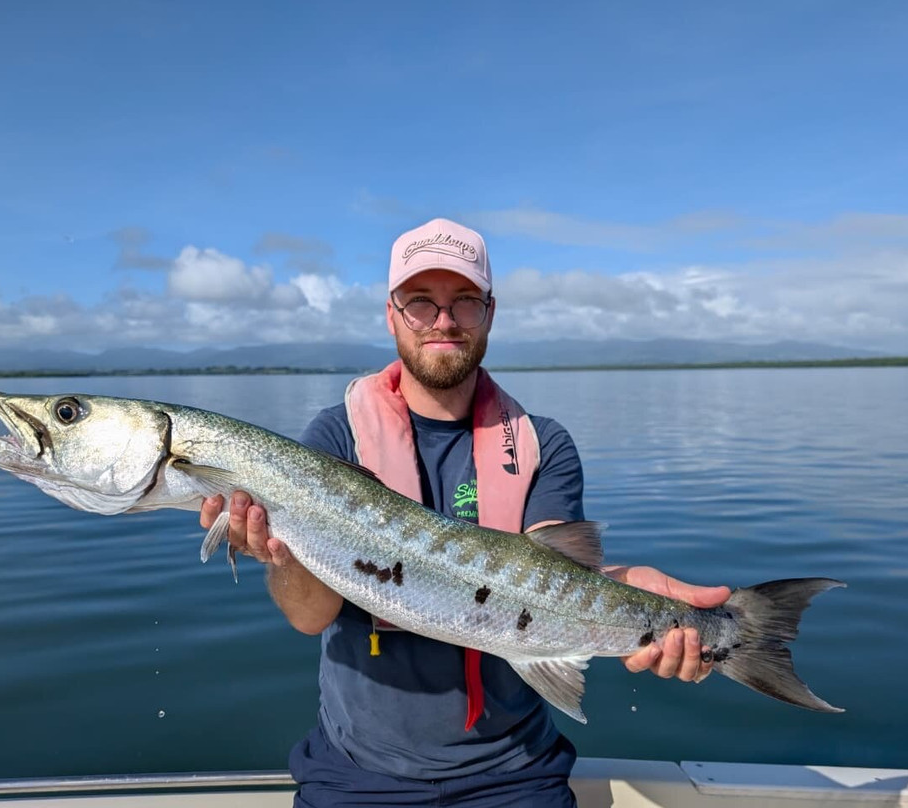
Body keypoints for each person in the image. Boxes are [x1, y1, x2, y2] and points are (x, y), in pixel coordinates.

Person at [201, 218, 730, 807]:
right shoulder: (335, 437)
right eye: (421, 303)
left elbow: (552, 569)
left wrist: (640, 599)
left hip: (517, 770)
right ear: (392, 314)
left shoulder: (541, 443)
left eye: (464, 303)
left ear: (490, 313)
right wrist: (279, 552)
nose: (443, 322)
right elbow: (309, 618)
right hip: (359, 771)